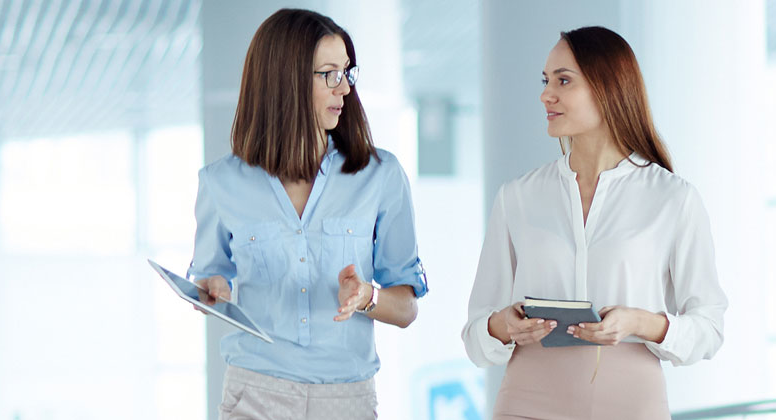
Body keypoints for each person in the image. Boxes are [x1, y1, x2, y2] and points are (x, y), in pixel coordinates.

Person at [461, 26, 728, 419]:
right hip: (526, 400)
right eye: (546, 80)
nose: (546, 94)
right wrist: (503, 326)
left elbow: (709, 328)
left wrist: (642, 322)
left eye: (563, 81)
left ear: (608, 89)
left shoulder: (672, 198)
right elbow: (474, 333)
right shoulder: (517, 197)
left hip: (631, 402)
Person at [187, 8, 428, 420]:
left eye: (347, 73)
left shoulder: (380, 176)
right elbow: (211, 279)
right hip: (254, 393)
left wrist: (366, 296)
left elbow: (406, 308)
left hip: (346, 399)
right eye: (330, 74)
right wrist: (212, 290)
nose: (345, 89)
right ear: (286, 79)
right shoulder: (219, 182)